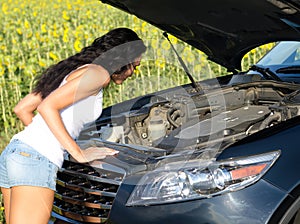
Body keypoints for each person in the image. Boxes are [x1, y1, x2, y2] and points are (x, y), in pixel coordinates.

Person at [0, 27, 146, 224]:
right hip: (35, 160)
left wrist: (55, 145)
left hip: (16, 152)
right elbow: (47, 107)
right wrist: (77, 153)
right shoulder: (98, 75)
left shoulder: (75, 69)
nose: (132, 73)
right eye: (133, 66)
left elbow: (22, 108)